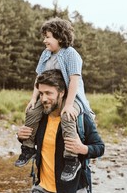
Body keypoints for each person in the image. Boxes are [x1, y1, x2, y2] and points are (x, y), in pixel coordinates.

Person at [16, 69, 104, 193]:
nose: (43, 98)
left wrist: (83, 149)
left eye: (49, 93)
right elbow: (33, 144)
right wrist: (21, 137)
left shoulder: (79, 118)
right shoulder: (40, 117)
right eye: (41, 93)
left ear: (62, 93)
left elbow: (99, 147)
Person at [15, 17, 93, 183]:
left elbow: (74, 81)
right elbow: (39, 78)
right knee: (32, 112)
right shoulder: (46, 54)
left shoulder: (71, 54)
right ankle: (28, 147)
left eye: (48, 37)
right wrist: (33, 98)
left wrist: (70, 105)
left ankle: (71, 159)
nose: (44, 40)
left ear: (59, 37)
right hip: (50, 95)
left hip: (72, 96)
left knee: (67, 117)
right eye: (44, 37)